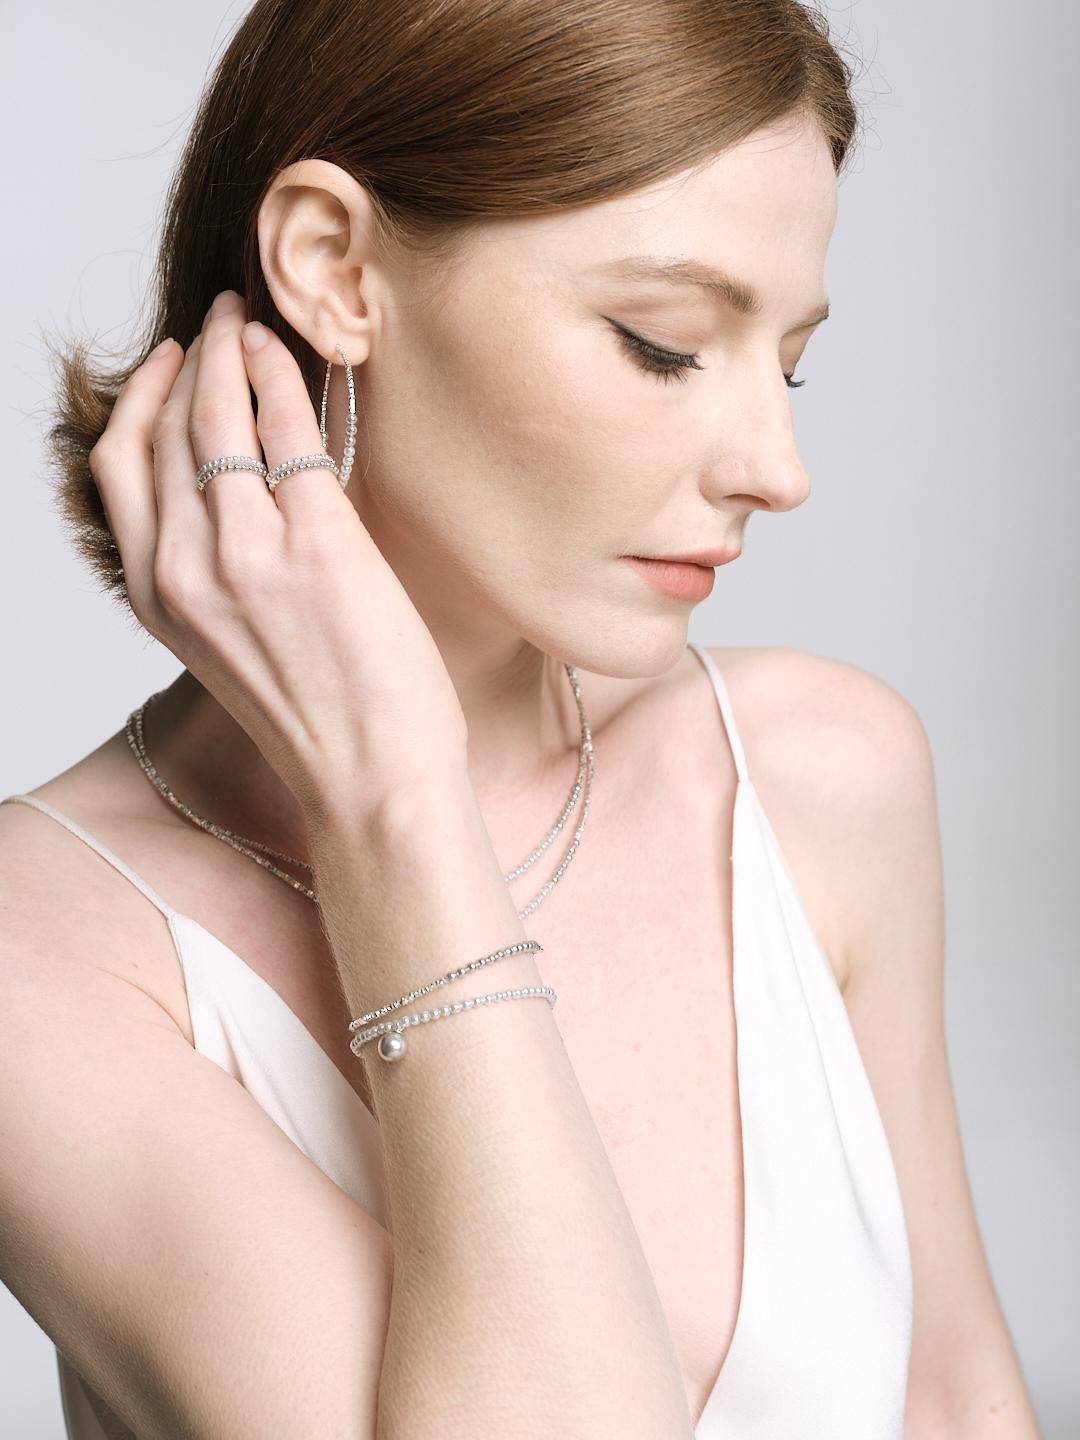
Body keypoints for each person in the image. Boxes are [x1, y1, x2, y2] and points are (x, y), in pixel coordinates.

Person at [0, 1, 1041, 1436]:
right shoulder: (41, 953)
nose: (778, 466)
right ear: (334, 268)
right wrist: (396, 804)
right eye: (665, 343)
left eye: (789, 359)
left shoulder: (819, 778)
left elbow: (959, 1400)